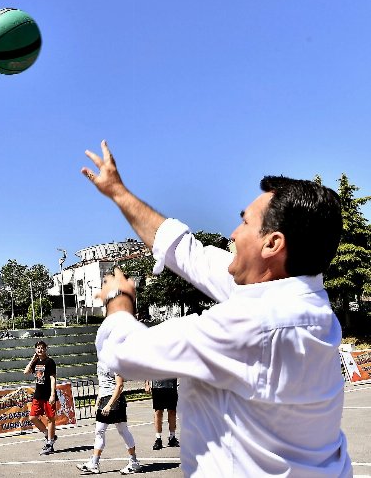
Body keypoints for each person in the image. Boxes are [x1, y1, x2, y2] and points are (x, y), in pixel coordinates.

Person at [82, 140, 352, 476]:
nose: (233, 233)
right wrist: (119, 192)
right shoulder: (299, 300)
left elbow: (123, 354)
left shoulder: (254, 324)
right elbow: (189, 254)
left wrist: (118, 301)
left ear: (272, 243)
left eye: (245, 223)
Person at [77, 361, 141, 475]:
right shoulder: (100, 363)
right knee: (99, 431)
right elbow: (103, 385)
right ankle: (94, 463)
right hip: (104, 400)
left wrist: (110, 404)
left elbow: (120, 385)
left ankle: (134, 462)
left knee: (123, 431)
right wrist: (97, 402)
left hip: (115, 400)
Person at [24, 340, 57, 456]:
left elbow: (53, 378)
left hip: (48, 394)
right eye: (38, 348)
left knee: (50, 418)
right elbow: (26, 372)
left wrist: (53, 394)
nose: (40, 350)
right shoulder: (36, 362)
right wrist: (33, 358)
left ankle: (50, 443)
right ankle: (47, 433)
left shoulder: (50, 362)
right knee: (33, 417)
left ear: (46, 349)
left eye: (42, 348)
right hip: (38, 394)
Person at [145, 378, 179, 450]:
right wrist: (147, 384)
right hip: (157, 387)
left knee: (172, 412)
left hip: (171, 386)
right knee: (158, 412)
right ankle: (158, 438)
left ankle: (172, 437)